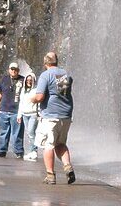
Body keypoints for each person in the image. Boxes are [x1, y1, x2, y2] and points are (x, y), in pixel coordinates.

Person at [33, 51, 75, 185]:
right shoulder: (64, 74)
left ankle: (50, 175)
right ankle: (67, 166)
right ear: (57, 61)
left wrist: (32, 99)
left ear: (45, 62)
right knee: (60, 144)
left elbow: (40, 97)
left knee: (48, 145)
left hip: (50, 116)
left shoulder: (46, 75)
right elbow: (61, 93)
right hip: (65, 115)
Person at [0, 61, 24, 158]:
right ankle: (2, 151)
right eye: (12, 69)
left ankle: (19, 151)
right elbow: (0, 92)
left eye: (15, 69)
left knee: (17, 133)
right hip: (3, 110)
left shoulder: (23, 80)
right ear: (9, 70)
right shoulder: (4, 79)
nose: (14, 71)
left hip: (16, 111)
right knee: (3, 132)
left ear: (18, 70)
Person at [17, 73, 39, 161]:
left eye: (31, 80)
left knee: (31, 132)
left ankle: (34, 151)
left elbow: (39, 103)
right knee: (29, 133)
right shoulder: (23, 90)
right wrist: (19, 115)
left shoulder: (36, 90)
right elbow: (21, 103)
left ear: (34, 81)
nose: (29, 82)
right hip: (25, 114)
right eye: (27, 80)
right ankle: (31, 151)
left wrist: (39, 114)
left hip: (33, 114)